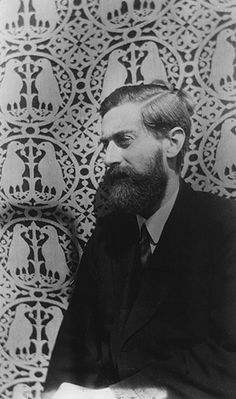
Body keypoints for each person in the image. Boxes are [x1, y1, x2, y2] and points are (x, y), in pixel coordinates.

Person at [43, 81, 236, 399]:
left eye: (124, 140)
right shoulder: (108, 237)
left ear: (172, 143)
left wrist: (116, 396)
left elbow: (226, 361)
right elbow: (73, 352)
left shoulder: (224, 229)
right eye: (106, 143)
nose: (108, 157)